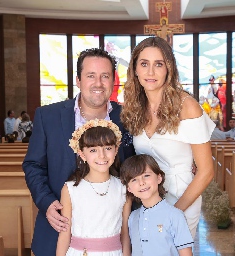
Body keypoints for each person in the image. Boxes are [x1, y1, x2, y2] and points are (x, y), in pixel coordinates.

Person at [23, 48, 135, 256]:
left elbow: (137, 163)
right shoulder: (48, 116)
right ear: (78, 80)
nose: (98, 83)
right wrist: (47, 203)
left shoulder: (128, 118)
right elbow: (33, 165)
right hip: (59, 228)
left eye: (105, 76)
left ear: (113, 81)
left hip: (113, 239)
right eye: (91, 76)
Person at [120, 37, 214, 237]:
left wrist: (173, 214)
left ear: (168, 69)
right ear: (135, 69)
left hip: (183, 199)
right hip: (148, 198)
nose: (151, 72)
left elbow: (206, 172)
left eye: (159, 64)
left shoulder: (187, 106)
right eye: (144, 64)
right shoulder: (136, 107)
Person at [56, 119, 131, 256]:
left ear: (116, 150)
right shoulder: (70, 189)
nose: (101, 155)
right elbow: (64, 235)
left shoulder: (123, 188)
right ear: (82, 154)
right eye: (93, 150)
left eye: (108, 148)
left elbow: (125, 234)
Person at [121, 154, 193, 256]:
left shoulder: (175, 215)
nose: (141, 182)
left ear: (159, 178)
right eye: (134, 179)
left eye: (146, 175)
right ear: (129, 188)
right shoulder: (133, 217)